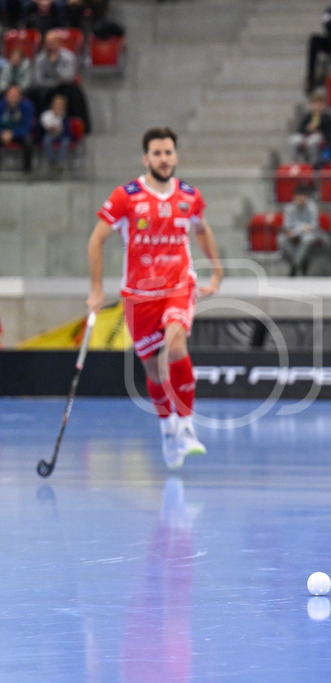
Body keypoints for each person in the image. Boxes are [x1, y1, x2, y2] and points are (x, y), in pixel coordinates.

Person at [87, 127, 224, 470]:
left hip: (179, 285)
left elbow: (202, 229)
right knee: (152, 367)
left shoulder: (190, 195)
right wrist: (96, 289)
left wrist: (217, 270)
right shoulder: (126, 196)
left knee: (176, 349)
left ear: (176, 156)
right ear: (146, 158)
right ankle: (167, 428)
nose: (164, 159)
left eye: (168, 152)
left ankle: (188, 427)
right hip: (138, 295)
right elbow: (96, 241)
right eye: (157, 153)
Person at [278, 183, 327, 276]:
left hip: (310, 233)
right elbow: (287, 224)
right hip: (293, 232)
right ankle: (302, 261)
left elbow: (313, 225)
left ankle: (295, 265)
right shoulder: (289, 208)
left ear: (306, 197)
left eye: (302, 197)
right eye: (297, 197)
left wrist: (297, 230)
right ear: (294, 197)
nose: (300, 200)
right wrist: (299, 229)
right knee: (281, 239)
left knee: (308, 239)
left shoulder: (312, 206)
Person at [288, 90, 331, 166]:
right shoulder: (307, 116)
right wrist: (307, 129)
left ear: (323, 105)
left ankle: (313, 164)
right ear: (311, 105)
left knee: (313, 140)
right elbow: (299, 130)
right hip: (306, 137)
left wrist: (319, 131)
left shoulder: (327, 117)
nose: (317, 106)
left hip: (320, 138)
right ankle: (294, 163)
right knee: (293, 140)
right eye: (314, 103)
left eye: (319, 104)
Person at [0, 84, 36, 173]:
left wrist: (12, 134)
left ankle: (27, 169)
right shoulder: (1, 105)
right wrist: (2, 133)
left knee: (29, 140)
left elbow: (27, 127)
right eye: (11, 94)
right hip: (4, 133)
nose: (13, 97)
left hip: (20, 133)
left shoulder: (28, 106)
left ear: (20, 96)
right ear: (6, 96)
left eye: (16, 94)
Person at [39, 92, 73, 171]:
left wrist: (60, 126)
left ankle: (58, 162)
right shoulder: (46, 115)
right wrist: (49, 129)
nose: (58, 107)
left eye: (60, 105)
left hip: (61, 136)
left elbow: (67, 132)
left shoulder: (65, 117)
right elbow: (41, 130)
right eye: (56, 104)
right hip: (49, 135)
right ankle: (52, 162)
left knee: (65, 142)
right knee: (46, 140)